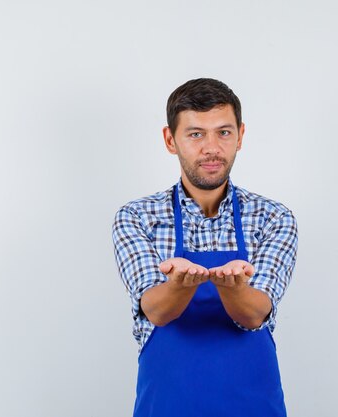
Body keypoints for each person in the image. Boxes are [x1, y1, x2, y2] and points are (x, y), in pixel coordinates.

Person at [112, 78, 298, 417]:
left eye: (223, 133)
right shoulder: (137, 217)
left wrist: (234, 288)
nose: (212, 147)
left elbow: (254, 313)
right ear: (171, 140)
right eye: (196, 134)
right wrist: (180, 286)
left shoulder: (274, 218)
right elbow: (156, 310)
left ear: (240, 135)